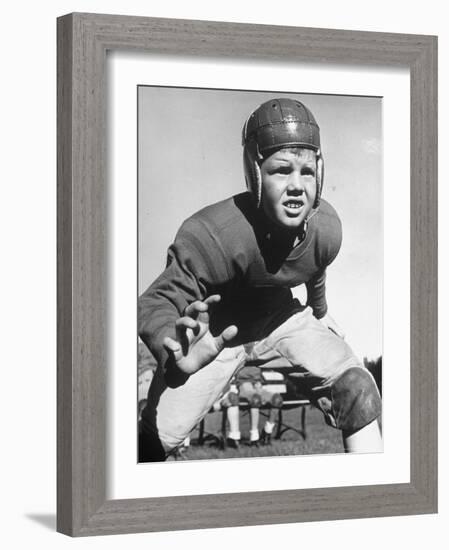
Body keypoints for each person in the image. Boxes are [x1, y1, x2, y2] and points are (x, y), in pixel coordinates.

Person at [138, 97, 382, 462]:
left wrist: (319, 310)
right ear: (255, 173)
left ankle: (372, 503)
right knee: (152, 445)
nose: (297, 185)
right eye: (282, 170)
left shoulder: (326, 228)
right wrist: (169, 344)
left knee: (357, 388)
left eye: (307, 171)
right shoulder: (213, 234)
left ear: (321, 172)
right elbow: (156, 301)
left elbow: (314, 268)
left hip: (280, 316)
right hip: (220, 331)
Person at [222, 366, 283, 448]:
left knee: (277, 400)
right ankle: (254, 438)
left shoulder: (257, 357)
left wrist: (260, 386)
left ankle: (267, 432)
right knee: (255, 400)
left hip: (258, 385)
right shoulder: (239, 358)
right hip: (244, 386)